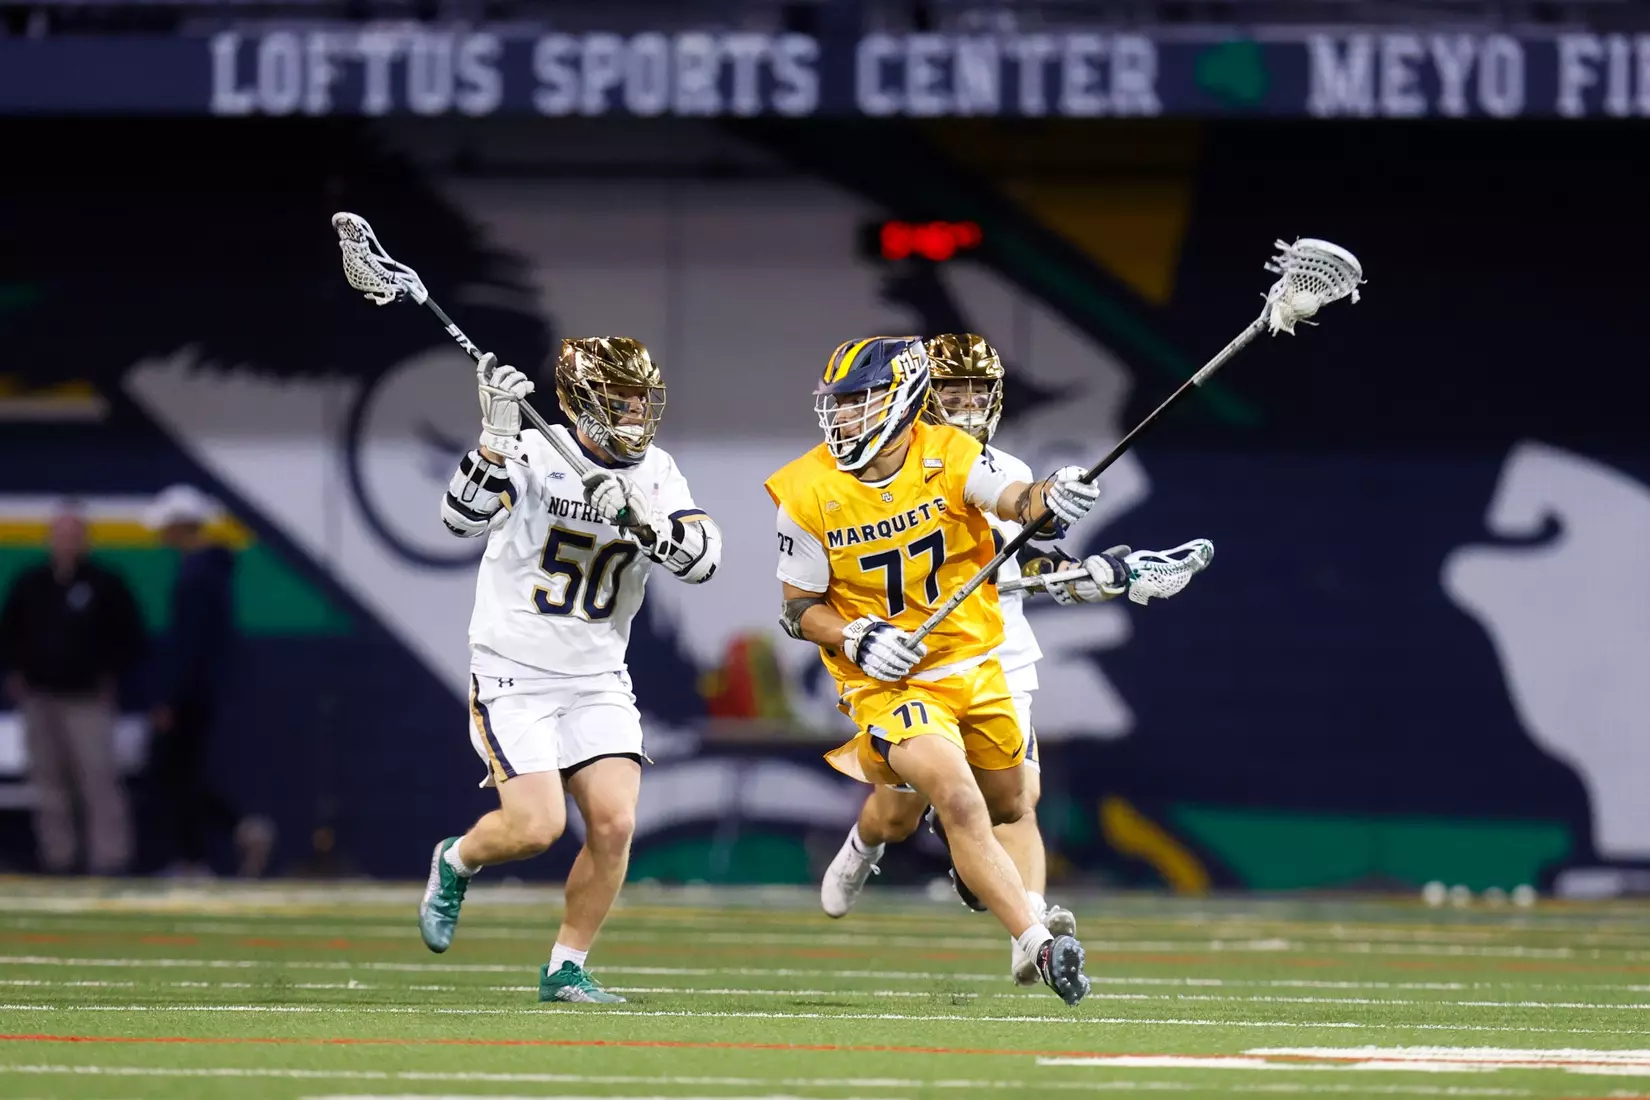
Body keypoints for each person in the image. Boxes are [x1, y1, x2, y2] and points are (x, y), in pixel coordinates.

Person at [817, 333, 1215, 984]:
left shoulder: (991, 464)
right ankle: (864, 849)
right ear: (918, 396)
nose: (968, 405)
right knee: (897, 811)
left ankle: (1028, 936)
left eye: (979, 392)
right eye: (953, 392)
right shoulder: (898, 469)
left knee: (1018, 800)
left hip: (995, 651)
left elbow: (1026, 553)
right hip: (914, 661)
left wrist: (1099, 571)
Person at [766, 335, 1100, 1005]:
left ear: (901, 402)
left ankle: (893, 848)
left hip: (974, 661)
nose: (845, 417)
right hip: (887, 680)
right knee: (958, 797)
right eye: (841, 403)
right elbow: (798, 610)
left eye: (861, 402)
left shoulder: (950, 454)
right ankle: (1037, 941)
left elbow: (1017, 503)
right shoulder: (805, 489)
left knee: (1008, 805)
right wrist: (856, 636)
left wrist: (1051, 501)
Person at [420, 338, 720, 1004]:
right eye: (620, 401)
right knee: (537, 828)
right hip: (515, 670)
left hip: (597, 676)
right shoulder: (531, 452)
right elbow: (459, 519)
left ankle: (565, 967)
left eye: (641, 401)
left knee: (614, 824)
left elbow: (703, 559)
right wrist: (494, 442)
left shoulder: (658, 473)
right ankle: (457, 858)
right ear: (580, 403)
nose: (635, 415)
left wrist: (643, 522)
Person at [0, 502, 146, 874]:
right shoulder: (31, 583)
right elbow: (9, 634)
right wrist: (17, 672)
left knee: (99, 780)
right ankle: (59, 859)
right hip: (40, 699)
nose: (66, 542)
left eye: (73, 535)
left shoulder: (105, 584)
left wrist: (108, 674)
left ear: (85, 540)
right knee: (49, 785)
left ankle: (110, 861)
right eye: (60, 534)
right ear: (50, 539)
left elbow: (131, 638)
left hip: (88, 701)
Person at [145, 484, 275, 878]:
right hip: (201, 691)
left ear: (183, 526)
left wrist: (170, 697)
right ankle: (232, 835)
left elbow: (189, 645)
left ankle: (196, 857)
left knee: (176, 776)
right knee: (182, 774)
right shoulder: (207, 570)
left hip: (191, 694)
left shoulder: (197, 574)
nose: (161, 535)